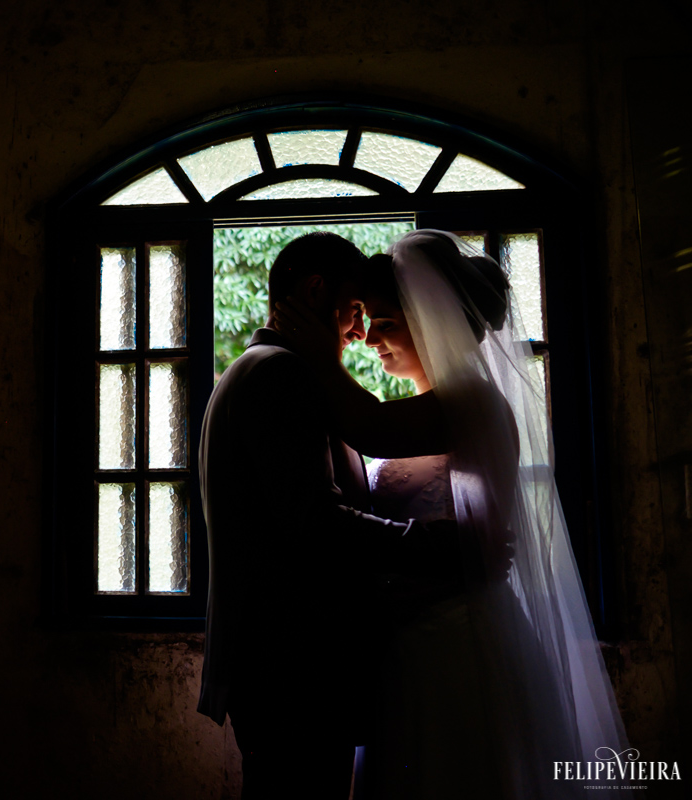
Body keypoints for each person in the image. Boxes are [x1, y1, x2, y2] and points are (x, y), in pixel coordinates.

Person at [274, 230, 632, 799]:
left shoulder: (470, 400)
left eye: (386, 322)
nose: (371, 340)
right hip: (413, 646)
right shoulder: (439, 401)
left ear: (429, 321)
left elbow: (371, 429)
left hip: (453, 645)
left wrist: (319, 358)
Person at [196, 232, 462, 799]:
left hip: (286, 665)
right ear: (317, 290)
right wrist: (428, 544)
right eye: (357, 310)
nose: (362, 333)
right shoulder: (280, 375)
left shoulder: (261, 368)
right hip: (294, 668)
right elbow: (313, 521)